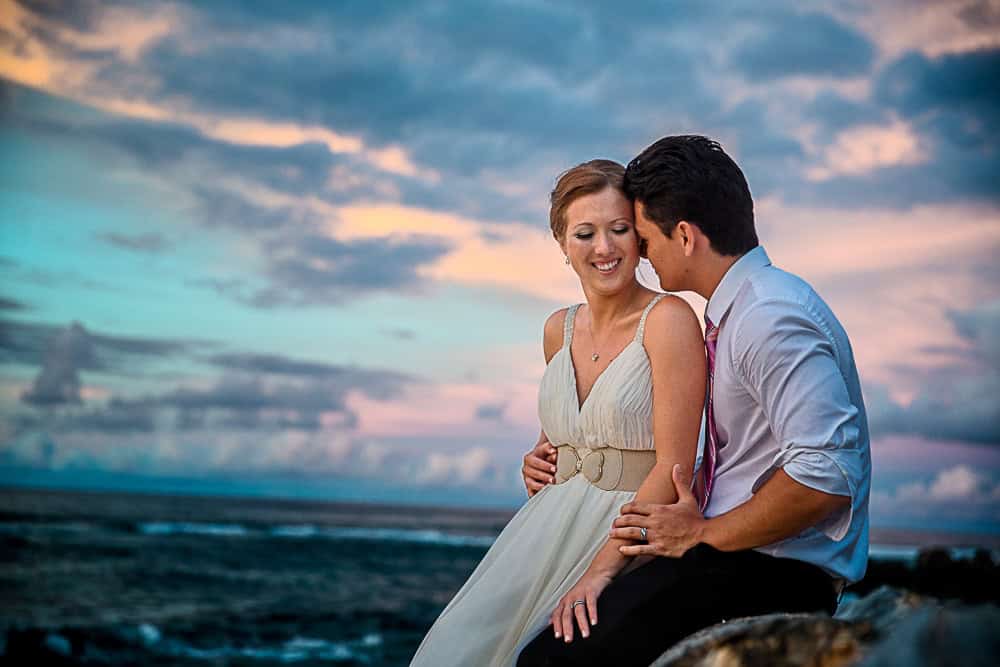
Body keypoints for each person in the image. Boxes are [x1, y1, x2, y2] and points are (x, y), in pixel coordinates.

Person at [518, 135, 871, 666]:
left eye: (642, 237)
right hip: (734, 556)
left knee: (550, 660)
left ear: (683, 236)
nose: (640, 254)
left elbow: (827, 475)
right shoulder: (742, 311)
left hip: (769, 569)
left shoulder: (769, 317)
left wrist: (703, 532)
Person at [409, 159, 706, 666]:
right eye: (585, 234)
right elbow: (568, 435)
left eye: (619, 229)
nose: (604, 248)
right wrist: (537, 460)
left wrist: (600, 571)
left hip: (622, 533)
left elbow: (673, 467)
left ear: (640, 236)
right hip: (544, 528)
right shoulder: (557, 329)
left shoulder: (669, 320)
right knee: (457, 649)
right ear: (563, 245)